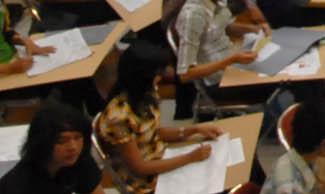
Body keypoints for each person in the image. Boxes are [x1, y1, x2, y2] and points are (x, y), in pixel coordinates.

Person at [100, 41, 225, 193]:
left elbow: (154, 132)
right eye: (158, 73)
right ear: (142, 76)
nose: (162, 76)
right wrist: (189, 158)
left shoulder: (145, 94)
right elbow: (140, 168)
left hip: (162, 156)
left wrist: (195, 129)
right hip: (147, 182)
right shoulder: (118, 118)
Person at [0, 101, 100, 194]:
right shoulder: (19, 185)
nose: (73, 147)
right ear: (43, 143)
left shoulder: (79, 159)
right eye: (62, 141)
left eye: (77, 137)